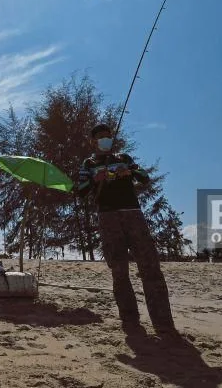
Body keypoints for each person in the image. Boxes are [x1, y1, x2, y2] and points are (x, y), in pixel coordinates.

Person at [74, 123, 176, 335]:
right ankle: (130, 321)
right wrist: (95, 178)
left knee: (150, 266)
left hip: (133, 214)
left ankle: (163, 322)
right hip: (107, 217)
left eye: (108, 136)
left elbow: (144, 177)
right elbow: (79, 190)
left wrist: (128, 170)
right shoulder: (89, 163)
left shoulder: (124, 158)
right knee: (119, 271)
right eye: (101, 137)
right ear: (93, 141)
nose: (105, 139)